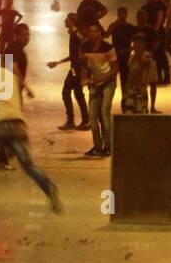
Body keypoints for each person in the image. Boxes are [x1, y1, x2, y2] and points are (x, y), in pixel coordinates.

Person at [0, 51, 62, 215]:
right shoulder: (13, 78)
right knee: (28, 165)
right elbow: (4, 101)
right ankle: (48, 186)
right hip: (18, 125)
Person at [77, 22, 118, 158]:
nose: (93, 34)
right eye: (91, 31)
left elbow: (115, 68)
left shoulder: (107, 47)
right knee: (93, 115)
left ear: (100, 33)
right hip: (95, 82)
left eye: (96, 31)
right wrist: (84, 78)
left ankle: (108, 146)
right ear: (87, 33)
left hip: (108, 82)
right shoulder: (84, 47)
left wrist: (101, 78)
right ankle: (98, 146)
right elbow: (83, 65)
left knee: (104, 112)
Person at [47, 13, 89, 131]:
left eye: (67, 20)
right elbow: (73, 55)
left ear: (72, 21)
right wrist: (57, 63)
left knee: (66, 92)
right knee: (78, 94)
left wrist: (83, 67)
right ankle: (85, 120)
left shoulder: (76, 34)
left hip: (77, 69)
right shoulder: (73, 35)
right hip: (75, 68)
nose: (65, 22)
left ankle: (73, 120)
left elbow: (81, 50)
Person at [121, 35, 155, 114]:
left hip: (141, 87)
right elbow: (131, 72)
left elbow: (142, 67)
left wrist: (138, 53)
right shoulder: (132, 55)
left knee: (141, 111)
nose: (137, 46)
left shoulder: (147, 55)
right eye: (135, 43)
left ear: (145, 44)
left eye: (139, 43)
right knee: (129, 110)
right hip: (130, 86)